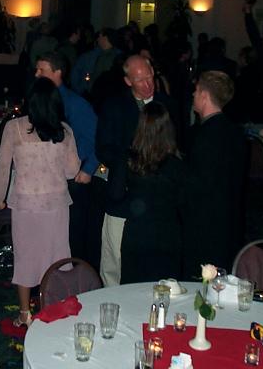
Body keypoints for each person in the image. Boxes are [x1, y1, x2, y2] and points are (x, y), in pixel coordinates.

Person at [0, 77, 80, 327]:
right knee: (56, 256)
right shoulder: (64, 131)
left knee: (26, 258)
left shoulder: (14, 127)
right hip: (56, 205)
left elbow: (2, 166)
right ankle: (51, 307)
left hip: (25, 205)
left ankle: (25, 313)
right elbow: (72, 171)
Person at [96, 55, 178, 286]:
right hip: (123, 192)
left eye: (149, 77)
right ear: (128, 81)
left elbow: (178, 148)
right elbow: (103, 148)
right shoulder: (114, 106)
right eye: (140, 80)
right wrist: (129, 163)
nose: (148, 84)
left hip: (157, 198)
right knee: (114, 259)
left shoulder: (168, 105)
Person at [34, 52, 100, 270]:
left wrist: (88, 169)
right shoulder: (40, 100)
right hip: (49, 180)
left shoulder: (75, 104)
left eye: (42, 70)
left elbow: (96, 138)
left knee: (73, 236)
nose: (37, 74)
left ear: (57, 73)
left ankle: (76, 278)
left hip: (73, 179)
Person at [184, 71, 245, 273]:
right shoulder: (235, 132)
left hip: (206, 227)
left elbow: (198, 186)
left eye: (196, 90)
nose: (193, 94)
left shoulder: (204, 136)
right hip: (230, 221)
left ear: (204, 95)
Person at [119, 102, 185, 284]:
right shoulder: (176, 165)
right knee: (166, 291)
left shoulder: (130, 160)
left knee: (133, 290)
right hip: (167, 235)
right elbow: (184, 202)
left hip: (138, 234)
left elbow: (115, 194)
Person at [71, 28, 120, 96]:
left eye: (99, 36)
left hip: (108, 96)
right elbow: (75, 73)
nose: (97, 39)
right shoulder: (89, 56)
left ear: (105, 38)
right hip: (92, 95)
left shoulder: (120, 58)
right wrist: (82, 90)